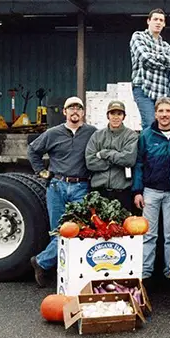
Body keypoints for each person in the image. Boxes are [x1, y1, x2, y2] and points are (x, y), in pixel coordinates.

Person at [28, 96, 96, 287]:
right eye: (70, 108)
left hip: (81, 186)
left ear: (83, 112)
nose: (75, 111)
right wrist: (41, 171)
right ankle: (59, 271)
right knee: (58, 231)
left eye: (78, 108)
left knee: (77, 230)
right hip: (57, 186)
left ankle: (41, 261)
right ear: (64, 112)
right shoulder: (52, 133)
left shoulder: (92, 133)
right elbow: (33, 151)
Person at [132, 97, 170, 280]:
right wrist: (138, 191)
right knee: (148, 234)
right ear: (155, 114)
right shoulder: (146, 135)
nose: (164, 115)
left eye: (167, 111)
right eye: (161, 111)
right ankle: (145, 272)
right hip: (151, 191)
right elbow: (139, 163)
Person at [85, 100, 138, 212]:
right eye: (112, 113)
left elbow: (129, 159)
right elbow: (90, 162)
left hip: (122, 193)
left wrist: (105, 154)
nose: (115, 117)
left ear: (124, 116)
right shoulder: (97, 136)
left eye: (119, 114)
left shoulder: (131, 136)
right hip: (99, 192)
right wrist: (116, 160)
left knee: (122, 228)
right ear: (107, 115)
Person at [130, 8, 170, 129]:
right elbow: (145, 58)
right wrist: (163, 60)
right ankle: (146, 149)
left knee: (162, 125)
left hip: (161, 92)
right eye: (155, 19)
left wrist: (156, 59)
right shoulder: (138, 37)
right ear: (148, 21)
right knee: (149, 124)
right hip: (143, 89)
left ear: (164, 24)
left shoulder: (166, 45)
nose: (158, 22)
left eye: (161, 20)